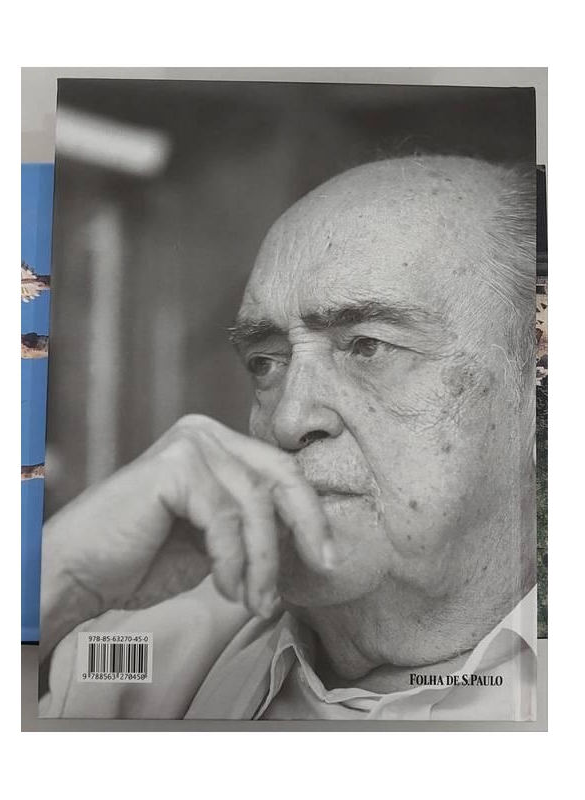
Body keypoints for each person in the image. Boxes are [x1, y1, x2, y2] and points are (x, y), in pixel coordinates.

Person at [39, 155, 537, 720]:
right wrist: (59, 580)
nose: (288, 419)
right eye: (266, 362)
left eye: (367, 346)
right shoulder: (134, 657)